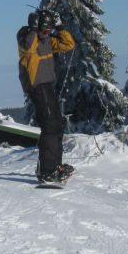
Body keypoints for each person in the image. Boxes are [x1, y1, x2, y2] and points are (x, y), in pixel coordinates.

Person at [17, 10, 76, 183]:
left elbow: (68, 44)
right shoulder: (25, 36)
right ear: (36, 27)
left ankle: (54, 165)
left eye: (49, 30)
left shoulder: (48, 40)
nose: (47, 33)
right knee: (50, 125)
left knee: (57, 124)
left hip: (47, 85)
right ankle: (47, 171)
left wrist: (60, 27)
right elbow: (28, 48)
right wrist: (35, 30)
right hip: (36, 85)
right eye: (44, 30)